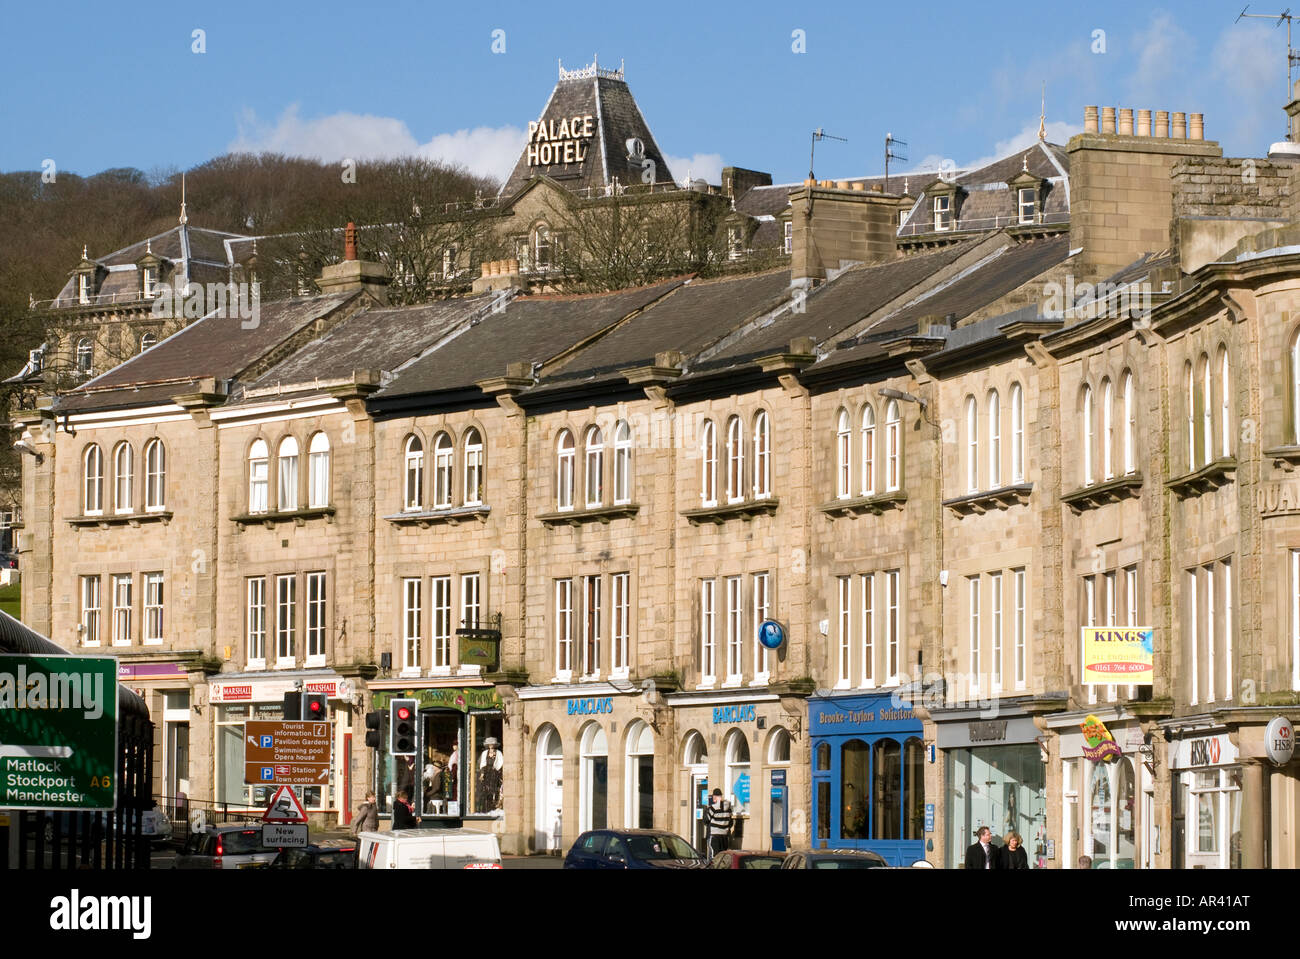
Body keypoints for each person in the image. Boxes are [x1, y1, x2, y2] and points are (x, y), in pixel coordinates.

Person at [703, 788, 733, 859]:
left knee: (713, 858)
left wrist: (706, 810)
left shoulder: (713, 808)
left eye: (713, 796)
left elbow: (705, 820)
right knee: (722, 858)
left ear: (715, 797)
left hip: (714, 836)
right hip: (724, 837)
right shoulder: (729, 809)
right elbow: (730, 823)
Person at [476, 737, 504, 812]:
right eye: (489, 744)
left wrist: (500, 775)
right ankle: (485, 809)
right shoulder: (485, 753)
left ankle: (494, 808)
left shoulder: (499, 753)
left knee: (494, 792)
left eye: (492, 744)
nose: (491, 745)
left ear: (495, 745)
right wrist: (482, 774)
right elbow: (482, 764)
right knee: (485, 792)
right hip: (486, 774)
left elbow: (501, 765)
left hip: (495, 774)